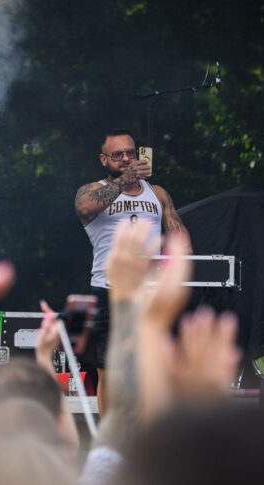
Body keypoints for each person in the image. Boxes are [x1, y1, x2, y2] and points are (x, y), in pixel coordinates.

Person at [74, 128, 190, 415]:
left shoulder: (157, 193)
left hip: (151, 292)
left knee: (155, 365)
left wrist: (171, 265)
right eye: (117, 154)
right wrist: (126, 179)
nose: (126, 158)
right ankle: (110, 435)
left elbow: (180, 239)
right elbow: (85, 209)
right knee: (109, 369)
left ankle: (149, 433)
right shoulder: (91, 190)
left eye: (130, 152)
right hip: (110, 290)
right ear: (103, 159)